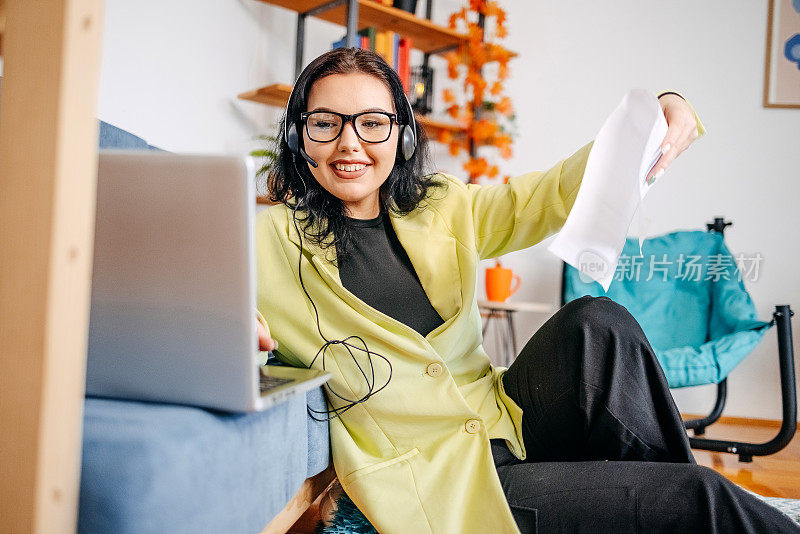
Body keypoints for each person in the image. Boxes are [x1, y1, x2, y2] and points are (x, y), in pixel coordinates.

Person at [254, 47, 799, 533]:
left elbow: (552, 193)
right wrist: (237, 327)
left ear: (401, 133)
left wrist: (660, 113)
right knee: (697, 495)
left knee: (597, 321)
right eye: (326, 123)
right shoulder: (266, 243)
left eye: (372, 123)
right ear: (300, 133)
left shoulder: (441, 205)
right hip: (442, 478)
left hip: (504, 417)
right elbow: (191, 304)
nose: (350, 142)